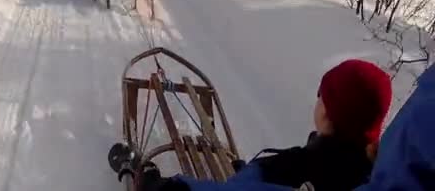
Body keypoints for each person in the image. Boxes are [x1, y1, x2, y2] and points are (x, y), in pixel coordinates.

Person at [142, 59, 395, 191]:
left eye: (322, 95)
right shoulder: (379, 176)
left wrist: (165, 186)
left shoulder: (292, 170)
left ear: (328, 112)